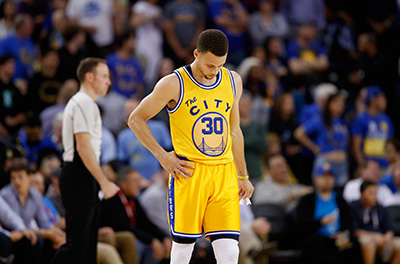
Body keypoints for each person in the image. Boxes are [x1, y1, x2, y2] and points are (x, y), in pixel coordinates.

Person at [127, 29, 254, 264]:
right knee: (183, 250)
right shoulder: (173, 83)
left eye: (220, 65)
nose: (214, 71)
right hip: (190, 172)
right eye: (209, 65)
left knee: (230, 251)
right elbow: (135, 119)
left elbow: (234, 131)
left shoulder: (233, 80)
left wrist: (243, 174)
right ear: (196, 54)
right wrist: (163, 157)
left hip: (224, 172)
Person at [50, 58, 119, 264]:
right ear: (90, 77)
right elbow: (83, 147)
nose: (108, 82)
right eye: (105, 77)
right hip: (78, 173)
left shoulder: (87, 103)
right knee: (77, 245)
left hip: (84, 174)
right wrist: (104, 181)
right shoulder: (83, 102)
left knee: (87, 246)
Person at [295, 162, 361, 264]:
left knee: (354, 242)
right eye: (323, 176)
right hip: (317, 239)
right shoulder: (308, 199)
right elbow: (301, 224)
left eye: (330, 176)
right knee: (314, 243)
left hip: (337, 239)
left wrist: (342, 233)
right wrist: (320, 222)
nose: (327, 180)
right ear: (315, 179)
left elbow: (348, 221)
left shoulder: (340, 199)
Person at [295, 92, 350, 187]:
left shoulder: (343, 122)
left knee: (340, 193)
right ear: (328, 104)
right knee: (322, 190)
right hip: (326, 161)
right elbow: (299, 133)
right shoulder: (320, 120)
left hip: (342, 163)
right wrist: (314, 147)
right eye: (336, 102)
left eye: (341, 104)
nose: (339, 106)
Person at [350, 181, 400, 264]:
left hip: (382, 237)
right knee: (369, 244)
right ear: (362, 194)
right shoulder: (354, 208)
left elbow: (390, 228)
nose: (374, 196)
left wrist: (387, 238)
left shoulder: (381, 208)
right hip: (365, 237)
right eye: (370, 193)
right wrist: (375, 237)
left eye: (375, 193)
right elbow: (355, 231)